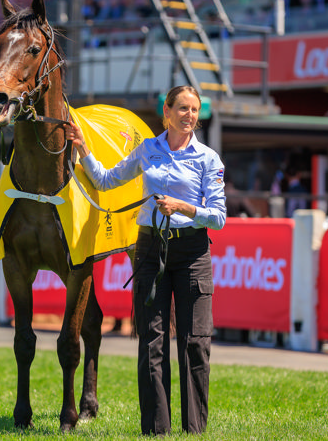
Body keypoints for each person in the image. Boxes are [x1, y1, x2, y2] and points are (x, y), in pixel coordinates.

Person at [65, 85, 226, 435]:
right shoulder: (147, 150)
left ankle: (195, 429)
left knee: (195, 342)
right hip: (151, 250)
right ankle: (156, 430)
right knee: (152, 342)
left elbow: (218, 217)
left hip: (193, 252)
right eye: (182, 108)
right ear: (166, 112)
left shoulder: (208, 159)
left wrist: (184, 207)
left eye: (195, 109)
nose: (190, 116)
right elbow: (106, 181)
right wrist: (83, 149)